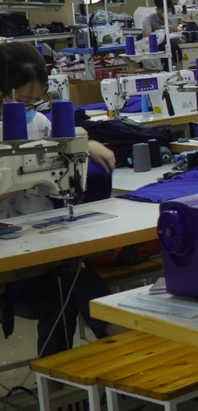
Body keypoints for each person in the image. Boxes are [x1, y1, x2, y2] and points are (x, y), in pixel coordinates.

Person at [0, 41, 122, 359]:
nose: (30, 107)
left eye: (36, 100)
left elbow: (62, 150)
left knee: (67, 274)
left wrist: (85, 144)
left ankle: (62, 378)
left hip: (37, 241)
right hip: (8, 257)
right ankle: (115, 332)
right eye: (23, 100)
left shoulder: (38, 123)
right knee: (69, 276)